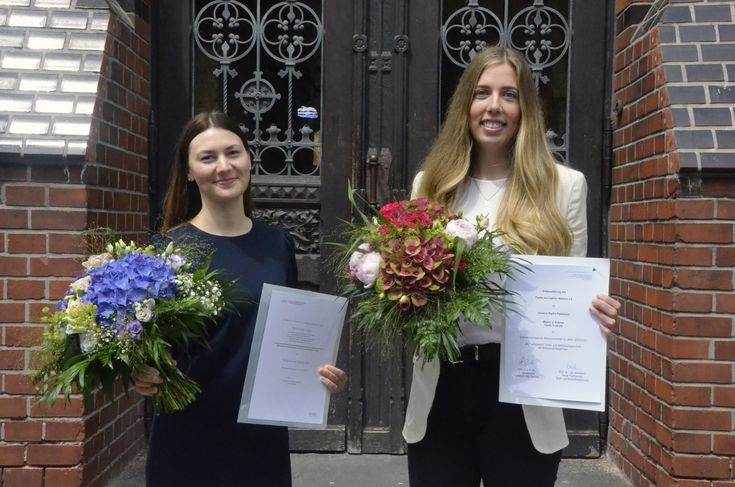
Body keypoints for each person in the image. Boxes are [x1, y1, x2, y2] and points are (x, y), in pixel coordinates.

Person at [404, 47, 621, 486]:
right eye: (482, 93)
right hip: (443, 383)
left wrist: (593, 313)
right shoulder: (432, 184)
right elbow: (413, 286)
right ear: (466, 103)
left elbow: (572, 287)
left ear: (526, 109)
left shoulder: (564, 187)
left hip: (526, 388)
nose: (494, 107)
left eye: (509, 94)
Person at [132, 111, 347, 487]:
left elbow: (284, 336)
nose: (223, 166)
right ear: (188, 172)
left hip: (259, 439)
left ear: (249, 159)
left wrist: (318, 375)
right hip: (188, 436)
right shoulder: (167, 249)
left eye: (233, 153)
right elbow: (147, 346)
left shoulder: (277, 244)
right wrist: (141, 372)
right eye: (207, 157)